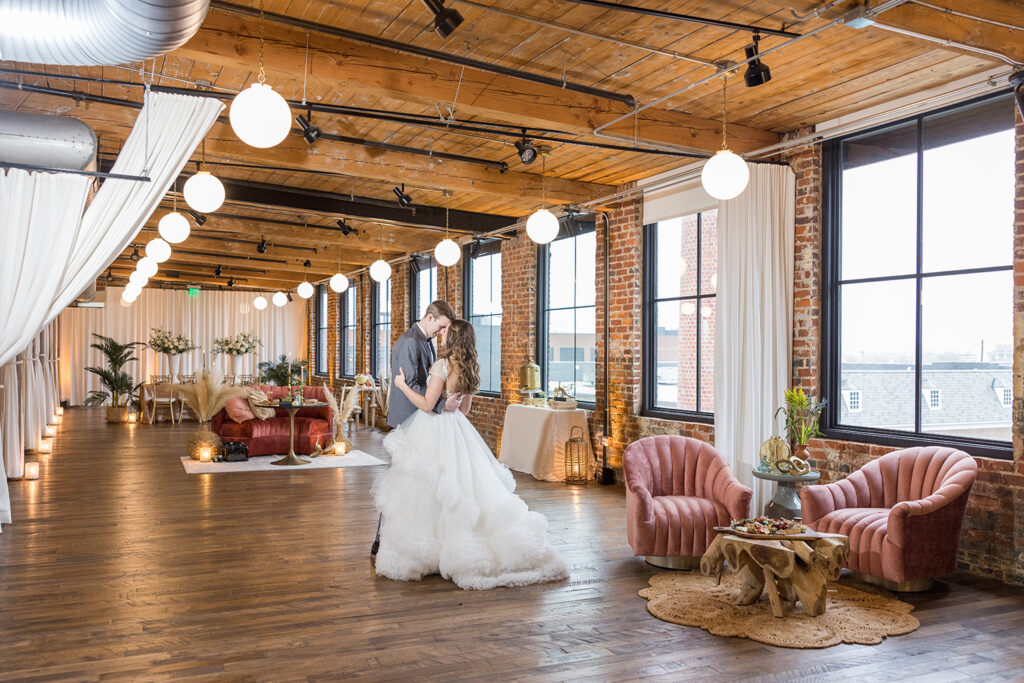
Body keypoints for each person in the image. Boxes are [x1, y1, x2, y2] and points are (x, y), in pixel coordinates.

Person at [373, 319, 568, 590]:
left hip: (434, 427)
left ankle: (434, 550)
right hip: (458, 429)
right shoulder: (468, 369)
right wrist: (450, 403)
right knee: (463, 482)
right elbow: (463, 410)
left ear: (452, 338)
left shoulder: (442, 365)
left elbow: (428, 405)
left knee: (431, 486)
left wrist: (402, 385)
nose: (441, 335)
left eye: (445, 332)